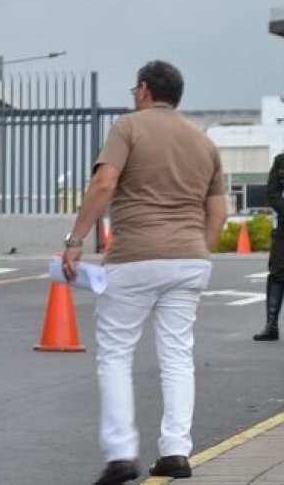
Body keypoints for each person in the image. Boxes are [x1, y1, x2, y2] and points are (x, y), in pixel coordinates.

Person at [61, 61, 225, 484]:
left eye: (136, 87)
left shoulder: (128, 127)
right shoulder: (203, 142)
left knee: (116, 351)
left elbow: (103, 184)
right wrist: (198, 250)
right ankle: (176, 450)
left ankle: (120, 455)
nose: (134, 94)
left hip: (135, 256)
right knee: (177, 354)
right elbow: (218, 211)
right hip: (190, 259)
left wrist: (76, 240)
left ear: (145, 90)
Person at [258, 150, 284, 340]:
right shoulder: (281, 161)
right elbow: (271, 191)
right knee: (277, 273)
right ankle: (271, 325)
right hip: (283, 227)